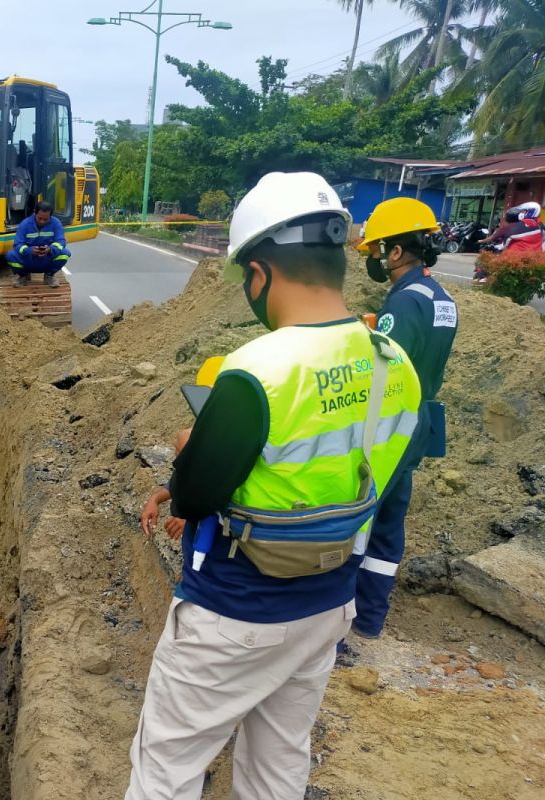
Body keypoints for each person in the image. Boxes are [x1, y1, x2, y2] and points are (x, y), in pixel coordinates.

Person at [125, 172, 422, 800]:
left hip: (236, 608)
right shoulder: (393, 363)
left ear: (259, 274)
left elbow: (197, 495)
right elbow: (366, 478)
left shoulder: (256, 369)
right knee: (279, 762)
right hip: (329, 600)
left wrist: (186, 451)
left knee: (167, 765)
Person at [353, 198, 458, 639]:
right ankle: (370, 619)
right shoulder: (442, 298)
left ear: (396, 252)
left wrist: (366, 338)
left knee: (357, 522)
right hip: (420, 423)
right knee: (390, 525)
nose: (374, 259)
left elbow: (386, 373)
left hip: (388, 428)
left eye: (378, 250)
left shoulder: (404, 303)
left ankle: (333, 632)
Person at [6, 201, 71, 288]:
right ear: (35, 213)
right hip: (28, 259)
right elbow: (18, 244)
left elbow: (61, 241)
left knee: (65, 254)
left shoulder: (56, 223)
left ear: (50, 216)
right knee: (10, 255)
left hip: (47, 258)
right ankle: (23, 276)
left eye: (45, 219)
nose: (42, 221)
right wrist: (29, 251)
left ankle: (49, 275)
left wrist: (50, 249)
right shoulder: (25, 224)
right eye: (39, 218)